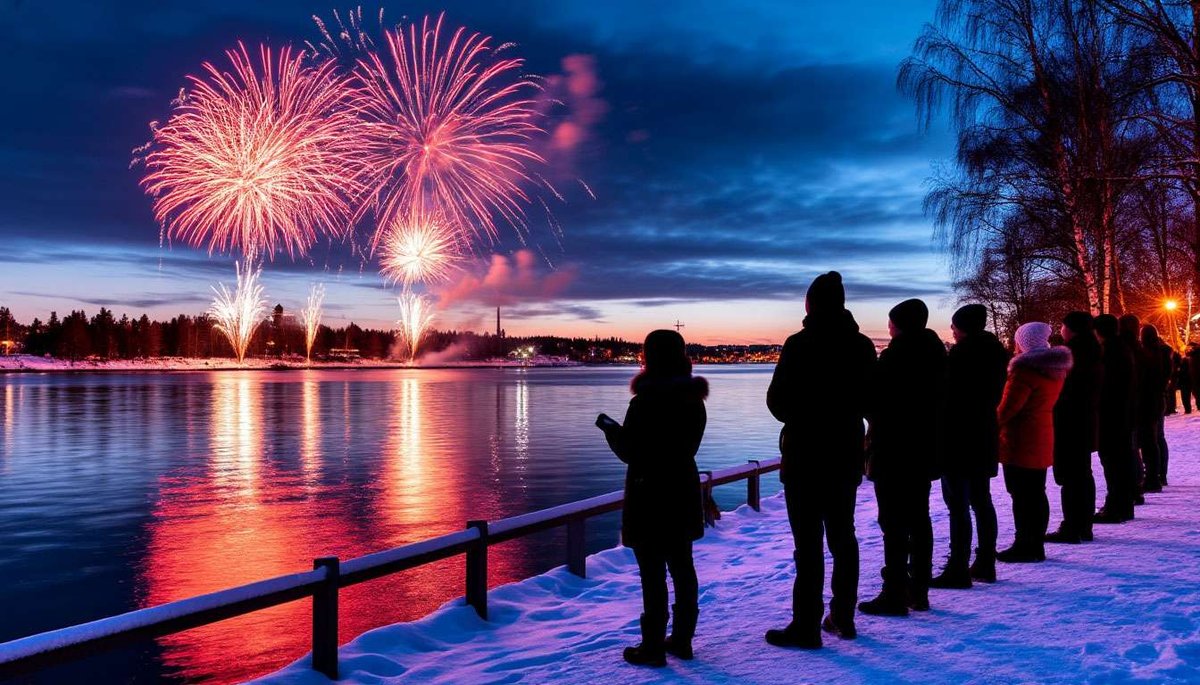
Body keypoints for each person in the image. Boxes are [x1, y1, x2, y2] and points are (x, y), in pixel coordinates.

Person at [765, 271, 876, 648]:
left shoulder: (799, 344)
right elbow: (871, 401)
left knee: (808, 545)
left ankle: (806, 625)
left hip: (804, 456)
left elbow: (776, 402)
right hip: (844, 453)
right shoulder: (861, 346)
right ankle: (844, 616)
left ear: (810, 304)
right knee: (844, 537)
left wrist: (804, 412)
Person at [598, 329, 708, 667]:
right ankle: (683, 639)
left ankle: (653, 646)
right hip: (682, 492)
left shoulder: (644, 402)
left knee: (652, 573)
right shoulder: (693, 400)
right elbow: (686, 447)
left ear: (651, 358)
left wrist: (610, 429)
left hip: (650, 495)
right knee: (683, 568)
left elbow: (632, 450)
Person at [860, 298, 946, 616]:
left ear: (899, 325)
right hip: (924, 450)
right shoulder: (937, 356)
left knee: (894, 524)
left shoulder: (894, 359)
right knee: (920, 520)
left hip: (894, 451)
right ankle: (919, 590)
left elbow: (872, 403)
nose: (888, 327)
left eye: (891, 322)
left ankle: (894, 592)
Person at [931, 304, 1008, 588]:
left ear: (963, 327)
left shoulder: (961, 356)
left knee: (959, 505)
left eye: (954, 325)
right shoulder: (997, 353)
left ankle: (957, 567)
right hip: (984, 433)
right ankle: (986, 561)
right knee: (982, 501)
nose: (951, 330)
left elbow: (946, 398)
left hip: (958, 437)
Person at [997, 322, 1072, 563]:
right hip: (1041, 435)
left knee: (1021, 494)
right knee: (1036, 493)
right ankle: (1035, 542)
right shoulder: (1054, 369)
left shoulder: (1024, 372)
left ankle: (1025, 544)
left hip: (1021, 440)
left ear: (1024, 342)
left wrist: (990, 423)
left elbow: (1008, 409)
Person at [1046, 312, 1102, 544]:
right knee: (1082, 474)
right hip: (1086, 419)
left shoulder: (1069, 354)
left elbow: (1061, 390)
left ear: (1071, 328)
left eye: (1062, 325)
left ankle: (1072, 526)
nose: (1061, 329)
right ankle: (1084, 525)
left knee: (1070, 477)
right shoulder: (1094, 350)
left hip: (1069, 422)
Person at [1094, 314, 1137, 523]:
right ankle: (1122, 505)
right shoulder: (1122, 348)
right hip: (1121, 413)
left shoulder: (1110, 352)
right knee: (1119, 461)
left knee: (1113, 462)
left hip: (1112, 415)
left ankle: (1116, 507)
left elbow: (1107, 387)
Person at [1140, 325, 1172, 493]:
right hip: (1159, 398)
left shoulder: (1146, 354)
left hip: (1148, 400)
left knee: (1150, 439)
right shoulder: (1165, 353)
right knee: (1159, 437)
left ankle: (1153, 474)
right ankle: (1161, 474)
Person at [1176, 351, 1192, 416]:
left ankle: (1187, 409)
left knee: (1185, 397)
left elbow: (1181, 374)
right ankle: (1188, 409)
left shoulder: (1183, 364)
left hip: (1184, 383)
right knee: (1187, 397)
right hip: (1188, 382)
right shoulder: (1188, 363)